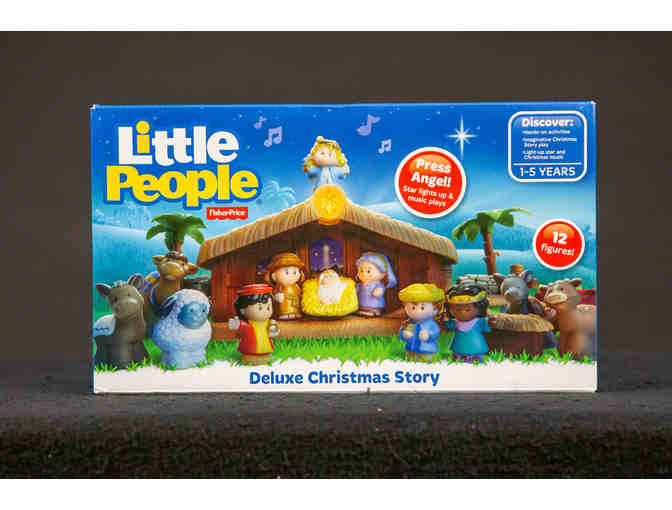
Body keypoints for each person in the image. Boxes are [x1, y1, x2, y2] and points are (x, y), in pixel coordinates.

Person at [228, 284, 280, 365]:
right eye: (260, 308)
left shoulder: (269, 322)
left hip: (266, 347)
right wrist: (237, 325)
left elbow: (273, 330)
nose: (265, 311)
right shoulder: (247, 325)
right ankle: (250, 357)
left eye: (268, 307)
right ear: (243, 310)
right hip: (250, 349)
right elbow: (242, 328)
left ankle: (265, 355)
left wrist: (274, 330)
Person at [444, 285, 491, 363]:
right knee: (457, 359)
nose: (462, 312)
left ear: (479, 309)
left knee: (475, 360)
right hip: (458, 346)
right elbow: (448, 326)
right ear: (451, 310)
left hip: (476, 346)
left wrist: (490, 321)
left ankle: (474, 359)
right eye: (458, 309)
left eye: (467, 309)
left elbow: (487, 328)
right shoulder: (455, 322)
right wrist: (445, 322)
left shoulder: (479, 321)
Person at [398, 283, 444, 362]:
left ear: (435, 309)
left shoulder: (431, 324)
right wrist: (404, 334)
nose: (416, 311)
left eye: (422, 308)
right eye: (413, 307)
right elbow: (403, 332)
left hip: (427, 350)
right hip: (411, 349)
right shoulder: (409, 323)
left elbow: (435, 331)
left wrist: (428, 335)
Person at [355, 252, 397, 317]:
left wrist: (378, 291)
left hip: (374, 306)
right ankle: (363, 311)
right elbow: (355, 290)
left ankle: (375, 312)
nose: (364, 273)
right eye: (361, 270)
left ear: (382, 273)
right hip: (360, 306)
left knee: (375, 309)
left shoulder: (378, 285)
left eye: (368, 271)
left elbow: (380, 290)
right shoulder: (360, 285)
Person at [264, 252, 305, 320]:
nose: (291, 276)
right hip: (283, 308)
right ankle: (284, 313)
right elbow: (274, 295)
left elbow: (300, 293)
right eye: (287, 272)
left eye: (294, 272)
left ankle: (295, 313)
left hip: (295, 306)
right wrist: (277, 297)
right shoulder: (279, 287)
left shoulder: (296, 286)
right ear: (274, 275)